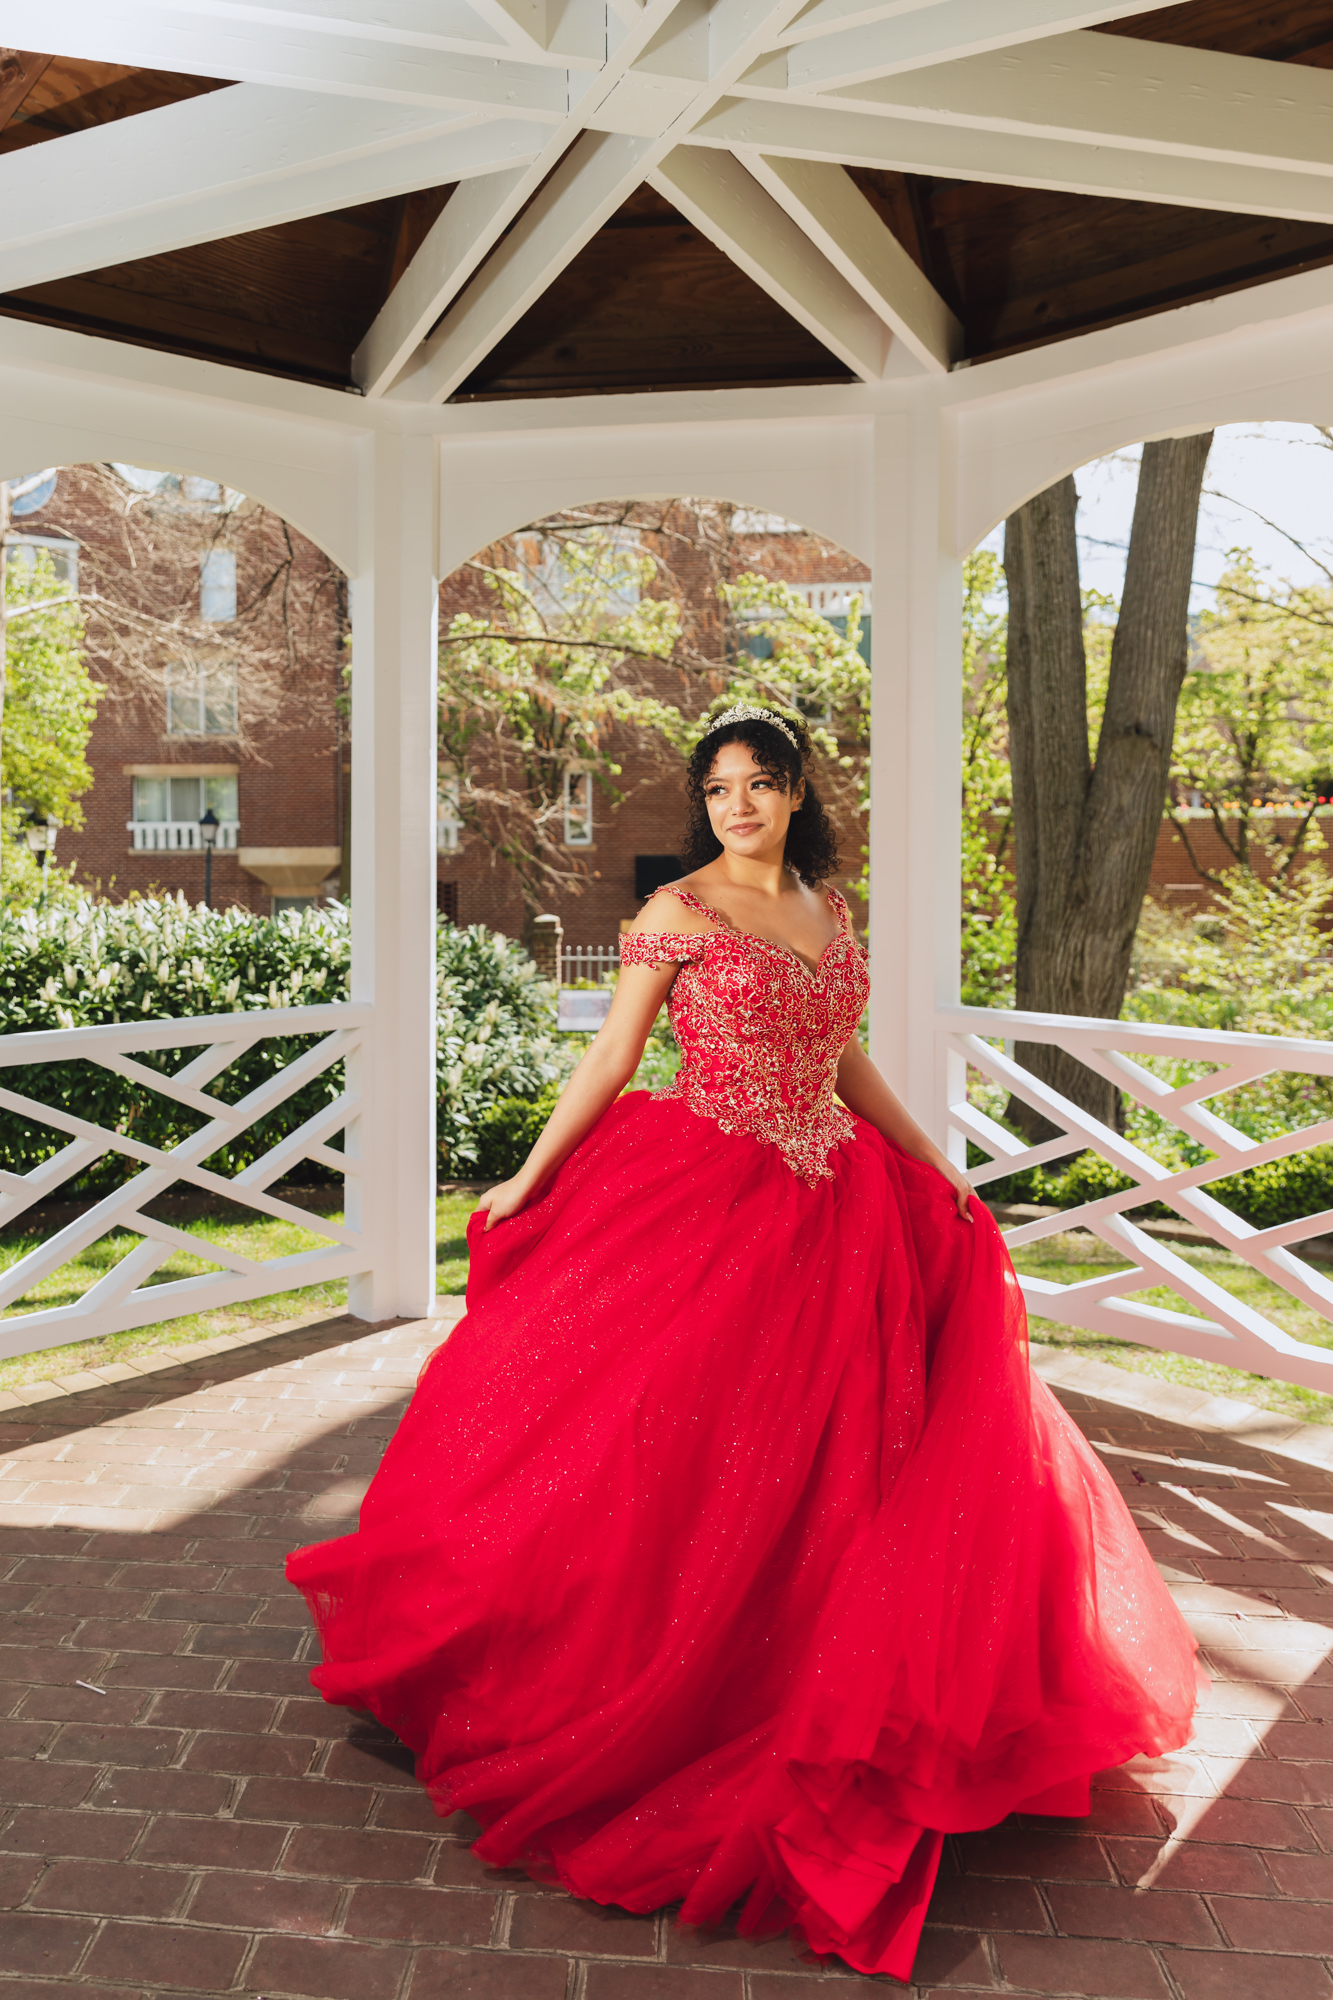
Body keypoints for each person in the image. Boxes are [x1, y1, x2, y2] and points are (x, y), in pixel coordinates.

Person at [286, 702, 1200, 1981]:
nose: (738, 804)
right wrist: (531, 1176)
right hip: (706, 1191)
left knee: (848, 1460)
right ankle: (627, 1676)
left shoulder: (827, 910)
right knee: (660, 1446)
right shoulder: (679, 913)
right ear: (701, 802)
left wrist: (935, 1166)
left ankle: (828, 1676)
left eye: (760, 782)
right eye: (718, 787)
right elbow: (612, 1054)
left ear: (794, 792)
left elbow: (845, 1064)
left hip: (838, 1208)